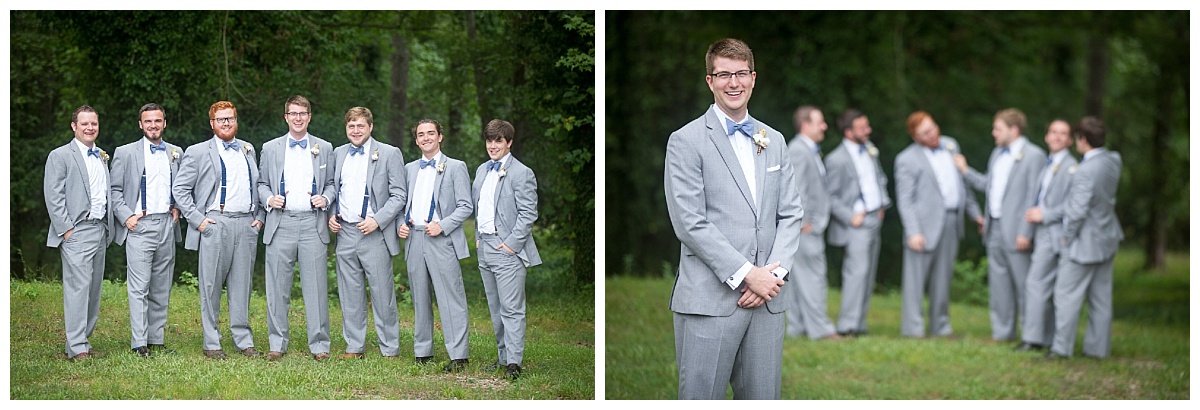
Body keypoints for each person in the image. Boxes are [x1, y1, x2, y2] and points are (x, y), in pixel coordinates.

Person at [663, 38, 802, 400]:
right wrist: (747, 274)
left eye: (741, 73)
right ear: (710, 81)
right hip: (710, 300)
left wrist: (772, 274)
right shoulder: (686, 140)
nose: (734, 82)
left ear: (753, 78)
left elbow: (791, 212)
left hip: (767, 301)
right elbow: (689, 221)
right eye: (724, 74)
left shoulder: (774, 139)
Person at [172, 100, 266, 360]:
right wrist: (198, 220)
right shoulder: (198, 151)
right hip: (215, 223)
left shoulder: (248, 149)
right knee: (211, 284)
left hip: (246, 224)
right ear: (212, 123)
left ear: (236, 121)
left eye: (230, 118)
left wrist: (259, 217)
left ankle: (243, 339)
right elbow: (180, 189)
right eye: (221, 119)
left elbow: (257, 185)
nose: (226, 123)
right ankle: (211, 341)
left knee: (242, 285)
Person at [955, 108, 1046, 343]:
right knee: (999, 285)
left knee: (1025, 284)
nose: (993, 133)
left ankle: (1031, 335)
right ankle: (1003, 332)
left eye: (998, 128)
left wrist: (1026, 232)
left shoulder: (1033, 155)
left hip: (1018, 231)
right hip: (993, 227)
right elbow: (989, 185)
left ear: (1014, 130)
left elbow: (1034, 195)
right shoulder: (997, 154)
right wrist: (965, 171)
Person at [256, 95, 336, 361]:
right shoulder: (270, 148)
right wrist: (269, 199)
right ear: (286, 117)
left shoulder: (324, 148)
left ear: (309, 117)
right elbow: (261, 184)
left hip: (313, 223)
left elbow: (333, 183)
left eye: (303, 113)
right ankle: (277, 344)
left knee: (315, 287)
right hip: (282, 222)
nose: (298, 118)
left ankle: (320, 345)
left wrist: (326, 198)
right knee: (277, 287)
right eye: (293, 113)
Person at [327, 107, 406, 360]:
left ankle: (390, 348)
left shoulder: (389, 153)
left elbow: (399, 195)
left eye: (360, 126)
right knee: (350, 293)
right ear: (346, 128)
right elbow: (333, 189)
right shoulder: (338, 153)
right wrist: (332, 213)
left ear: (370, 127)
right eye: (351, 126)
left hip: (373, 232)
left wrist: (378, 220)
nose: (356, 131)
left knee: (382, 293)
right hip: (346, 232)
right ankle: (354, 346)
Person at [894, 111, 980, 338]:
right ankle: (913, 330)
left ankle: (941, 327)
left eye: (932, 128)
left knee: (943, 278)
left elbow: (963, 186)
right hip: (922, 226)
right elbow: (905, 199)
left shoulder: (951, 145)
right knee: (915, 282)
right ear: (915, 137)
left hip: (951, 221)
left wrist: (976, 214)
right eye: (925, 133)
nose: (932, 135)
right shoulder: (906, 159)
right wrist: (913, 232)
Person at [397, 119, 473, 371]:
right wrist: (401, 222)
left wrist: (443, 224)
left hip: (441, 238)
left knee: (450, 296)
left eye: (431, 133)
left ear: (440, 137)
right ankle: (423, 351)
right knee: (419, 296)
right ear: (416, 140)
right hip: (415, 238)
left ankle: (458, 355)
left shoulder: (455, 167)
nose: (426, 138)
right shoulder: (409, 169)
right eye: (421, 134)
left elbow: (466, 206)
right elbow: (401, 202)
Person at [109, 103, 182, 357]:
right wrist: (126, 216)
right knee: (139, 287)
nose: (153, 125)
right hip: (140, 226)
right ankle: (139, 342)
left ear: (164, 123)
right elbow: (114, 191)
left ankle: (156, 339)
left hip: (166, 225)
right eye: (148, 121)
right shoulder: (125, 152)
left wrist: (177, 208)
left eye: (158, 121)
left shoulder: (175, 152)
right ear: (141, 124)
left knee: (162, 285)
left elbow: (180, 187)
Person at [1047, 116, 1122, 360]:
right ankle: (1097, 350)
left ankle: (1060, 350)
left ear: (1083, 140)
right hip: (1108, 237)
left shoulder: (1085, 170)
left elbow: (1076, 212)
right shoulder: (1113, 160)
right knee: (1101, 299)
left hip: (1084, 243)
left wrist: (1066, 238)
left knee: (1065, 295)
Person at [45, 105, 116, 361]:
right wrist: (67, 230)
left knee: (93, 289)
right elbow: (54, 196)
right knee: (78, 289)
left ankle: (82, 341)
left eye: (93, 124)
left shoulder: (101, 155)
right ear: (74, 126)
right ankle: (76, 348)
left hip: (99, 230)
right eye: (84, 123)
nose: (90, 128)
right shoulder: (60, 155)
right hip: (76, 231)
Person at [472, 119, 542, 381]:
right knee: (495, 307)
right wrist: (479, 236)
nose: (492, 146)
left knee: (512, 308)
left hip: (508, 248)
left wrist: (511, 245)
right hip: (485, 246)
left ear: (509, 142)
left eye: (498, 141)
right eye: (489, 141)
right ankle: (503, 357)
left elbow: (528, 213)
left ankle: (514, 361)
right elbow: (479, 207)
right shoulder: (481, 170)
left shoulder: (521, 173)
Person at [824, 108, 889, 338]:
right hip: (856, 223)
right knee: (856, 273)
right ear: (849, 132)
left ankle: (860, 323)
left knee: (869, 273)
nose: (868, 131)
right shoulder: (836, 159)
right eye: (863, 128)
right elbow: (829, 196)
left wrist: (882, 203)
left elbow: (878, 178)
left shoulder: (870, 150)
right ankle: (847, 326)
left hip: (874, 217)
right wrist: (850, 215)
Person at [1015, 119, 1077, 352]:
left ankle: (1033, 339)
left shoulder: (1072, 167)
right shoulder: (1046, 164)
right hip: (1040, 231)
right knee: (1043, 286)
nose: (1057, 136)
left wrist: (1045, 214)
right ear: (1046, 136)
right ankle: (1043, 337)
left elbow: (1073, 204)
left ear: (1070, 140)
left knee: (1036, 283)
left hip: (1056, 233)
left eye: (1063, 133)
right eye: (1053, 132)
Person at [783, 105, 839, 341]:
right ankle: (822, 330)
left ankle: (798, 328)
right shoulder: (799, 150)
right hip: (805, 227)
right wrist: (804, 221)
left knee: (799, 279)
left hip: (807, 225)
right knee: (813, 277)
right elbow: (795, 188)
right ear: (806, 125)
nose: (824, 126)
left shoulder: (808, 150)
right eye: (820, 122)